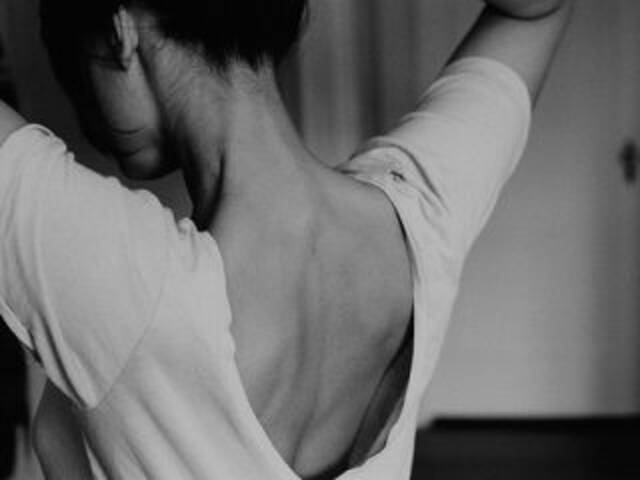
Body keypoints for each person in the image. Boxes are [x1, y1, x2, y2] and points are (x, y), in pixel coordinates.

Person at [0, 0, 573, 478]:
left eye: (77, 72)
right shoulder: (422, 214)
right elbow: (533, 10)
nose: (90, 118)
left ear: (120, 30)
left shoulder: (122, 281)